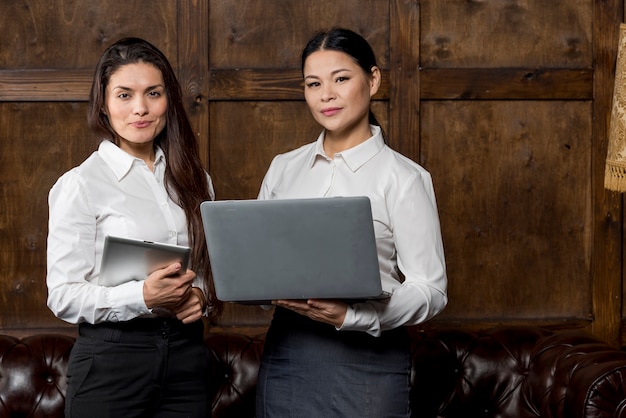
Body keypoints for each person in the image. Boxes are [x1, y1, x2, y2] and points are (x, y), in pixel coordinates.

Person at [255, 28, 448, 417]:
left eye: (341, 79)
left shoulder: (404, 178)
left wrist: (353, 316)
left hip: (368, 358)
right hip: (288, 353)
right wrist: (252, 284)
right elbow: (260, 269)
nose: (326, 95)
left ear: (373, 79)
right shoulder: (283, 168)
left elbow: (431, 290)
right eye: (314, 84)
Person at [46, 37, 220, 417]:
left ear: (168, 99)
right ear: (104, 106)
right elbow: (62, 296)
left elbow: (208, 270)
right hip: (111, 361)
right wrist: (141, 297)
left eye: (153, 93)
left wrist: (202, 298)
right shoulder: (80, 184)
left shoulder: (196, 180)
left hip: (187, 358)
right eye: (124, 95)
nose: (140, 108)